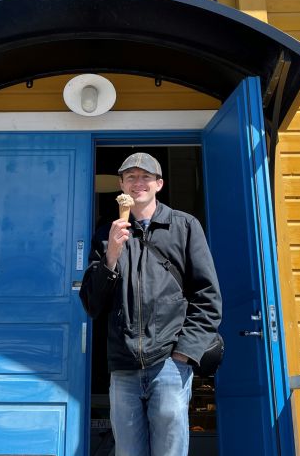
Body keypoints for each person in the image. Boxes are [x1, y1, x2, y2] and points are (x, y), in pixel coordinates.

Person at [80, 152, 222, 456]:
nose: (138, 183)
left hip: (169, 362)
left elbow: (207, 296)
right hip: (123, 366)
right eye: (130, 177)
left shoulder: (184, 226)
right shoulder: (107, 234)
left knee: (170, 450)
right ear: (121, 185)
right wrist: (111, 257)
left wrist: (184, 352)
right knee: (128, 452)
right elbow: (92, 304)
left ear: (159, 184)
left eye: (146, 177)